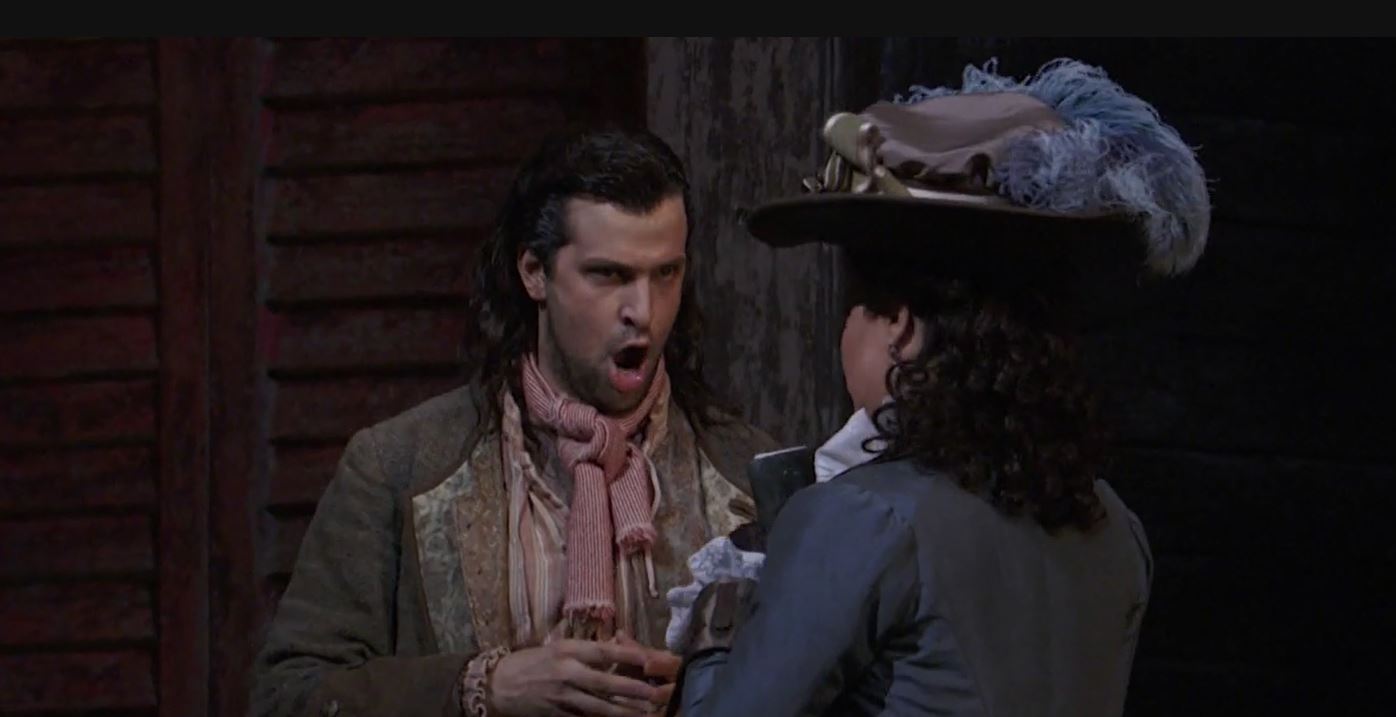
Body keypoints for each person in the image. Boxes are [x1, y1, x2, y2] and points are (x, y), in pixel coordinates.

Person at [667, 57, 1210, 716]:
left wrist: (721, 622)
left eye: (856, 306)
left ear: (899, 325)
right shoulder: (1115, 527)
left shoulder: (862, 516)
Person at [251, 125, 778, 717]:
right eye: (608, 275)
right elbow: (286, 696)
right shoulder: (399, 468)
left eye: (665, 274)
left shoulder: (745, 477)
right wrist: (483, 687)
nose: (643, 311)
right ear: (534, 272)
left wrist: (706, 692)